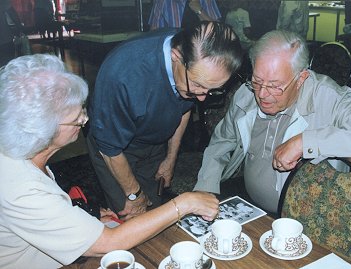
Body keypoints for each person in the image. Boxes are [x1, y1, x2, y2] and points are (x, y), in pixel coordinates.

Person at [0, 54, 219, 269]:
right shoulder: (20, 186)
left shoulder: (21, 153)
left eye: (83, 112)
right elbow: (107, 243)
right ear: (42, 131)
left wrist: (82, 218)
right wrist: (184, 203)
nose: (85, 120)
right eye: (77, 120)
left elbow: (38, 215)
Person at [193, 30, 351, 214]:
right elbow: (221, 143)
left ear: (301, 79)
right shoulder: (247, 93)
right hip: (250, 207)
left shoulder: (328, 97)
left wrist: (305, 142)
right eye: (256, 81)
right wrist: (206, 190)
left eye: (275, 86)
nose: (262, 94)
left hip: (311, 219)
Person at [86, 21, 242, 220]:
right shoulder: (123, 74)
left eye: (212, 90)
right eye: (197, 85)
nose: (202, 98)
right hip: (116, 150)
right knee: (130, 217)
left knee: (156, 212)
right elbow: (109, 148)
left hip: (155, 139)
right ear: (176, 56)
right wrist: (135, 194)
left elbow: (184, 110)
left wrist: (170, 159)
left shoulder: (192, 61)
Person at [148, 0, 221, 30]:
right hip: (175, 52)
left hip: (202, 51)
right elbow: (154, 33)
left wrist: (200, 11)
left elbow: (219, 30)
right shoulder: (162, 1)